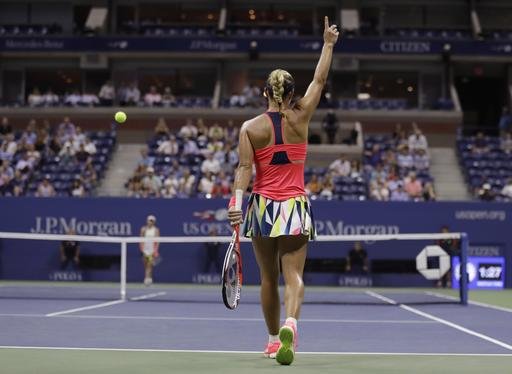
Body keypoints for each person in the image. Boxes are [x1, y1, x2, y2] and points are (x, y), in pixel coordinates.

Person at [227, 17, 339, 365]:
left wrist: (236, 202)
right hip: (294, 206)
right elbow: (320, 79)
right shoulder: (302, 115)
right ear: (292, 94)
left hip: (261, 207)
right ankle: (292, 321)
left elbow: (244, 168)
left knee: (267, 278)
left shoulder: (250, 128)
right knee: (294, 275)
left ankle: (274, 340)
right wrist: (328, 44)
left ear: (265, 93)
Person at [139, 215, 160, 286]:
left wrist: (155, 250)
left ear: (154, 222)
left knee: (150, 265)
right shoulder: (143, 229)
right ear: (147, 221)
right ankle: (148, 278)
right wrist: (141, 249)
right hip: (145, 250)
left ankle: (147, 279)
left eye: (152, 221)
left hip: (152, 250)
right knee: (145, 265)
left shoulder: (156, 230)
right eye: (149, 220)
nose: (150, 222)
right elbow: (141, 239)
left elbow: (157, 241)